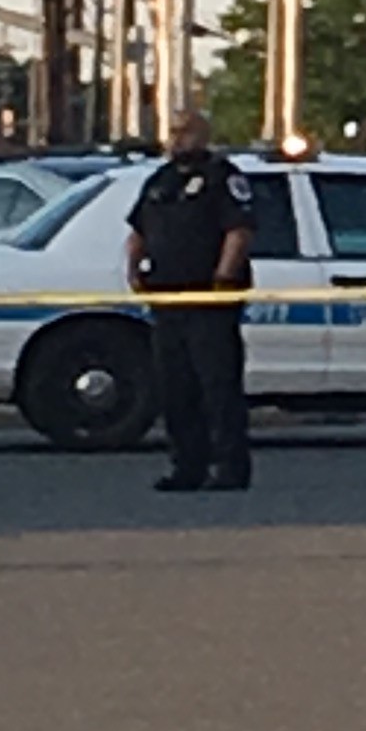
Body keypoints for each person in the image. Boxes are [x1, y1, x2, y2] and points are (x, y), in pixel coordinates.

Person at [125, 109, 254, 492]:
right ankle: (187, 466)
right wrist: (134, 270)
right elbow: (138, 230)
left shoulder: (223, 178)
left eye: (186, 132)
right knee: (175, 388)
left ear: (203, 135)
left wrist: (223, 276)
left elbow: (239, 230)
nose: (178, 139)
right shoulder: (159, 181)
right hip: (167, 301)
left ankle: (230, 467)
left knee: (217, 386)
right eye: (174, 132)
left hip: (209, 301)